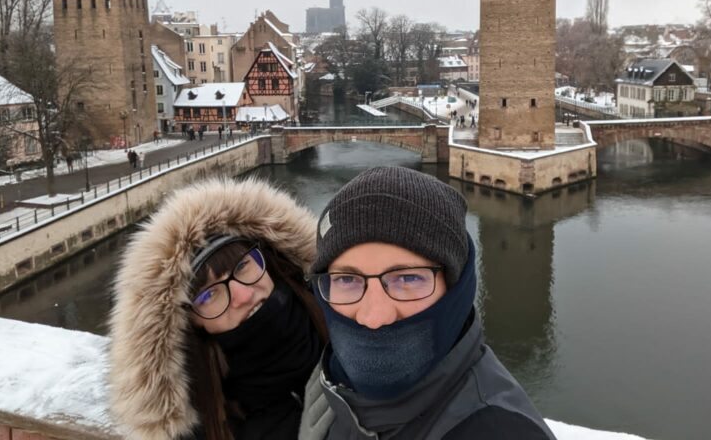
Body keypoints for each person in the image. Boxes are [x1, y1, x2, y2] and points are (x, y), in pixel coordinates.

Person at [300, 167, 555, 440]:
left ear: (455, 288)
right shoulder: (328, 382)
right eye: (347, 280)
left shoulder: (503, 430)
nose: (374, 316)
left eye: (408, 278)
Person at [110, 179, 327, 440]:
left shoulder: (350, 322)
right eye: (210, 294)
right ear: (188, 322)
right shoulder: (201, 420)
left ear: (269, 260)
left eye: (243, 266)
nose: (243, 295)